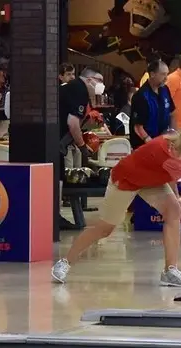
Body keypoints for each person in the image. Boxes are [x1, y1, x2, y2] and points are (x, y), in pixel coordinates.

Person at [52, 121, 181, 286]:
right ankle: (64, 262)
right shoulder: (170, 155)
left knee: (173, 211)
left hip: (151, 181)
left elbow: (170, 175)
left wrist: (177, 201)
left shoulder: (179, 148)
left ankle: (170, 271)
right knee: (104, 229)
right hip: (125, 181)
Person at [58, 67, 106, 230]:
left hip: (59, 140)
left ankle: (54, 216)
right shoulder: (79, 89)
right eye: (99, 81)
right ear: (90, 80)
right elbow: (72, 122)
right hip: (55, 140)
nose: (101, 85)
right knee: (56, 179)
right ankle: (54, 217)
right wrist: (82, 146)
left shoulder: (75, 89)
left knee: (58, 177)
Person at [130, 60, 175, 150]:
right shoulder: (141, 96)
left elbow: (171, 113)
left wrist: (173, 134)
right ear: (152, 74)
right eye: (163, 74)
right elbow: (138, 127)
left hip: (162, 141)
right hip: (144, 144)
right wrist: (150, 143)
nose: (166, 78)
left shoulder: (165, 89)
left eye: (167, 74)